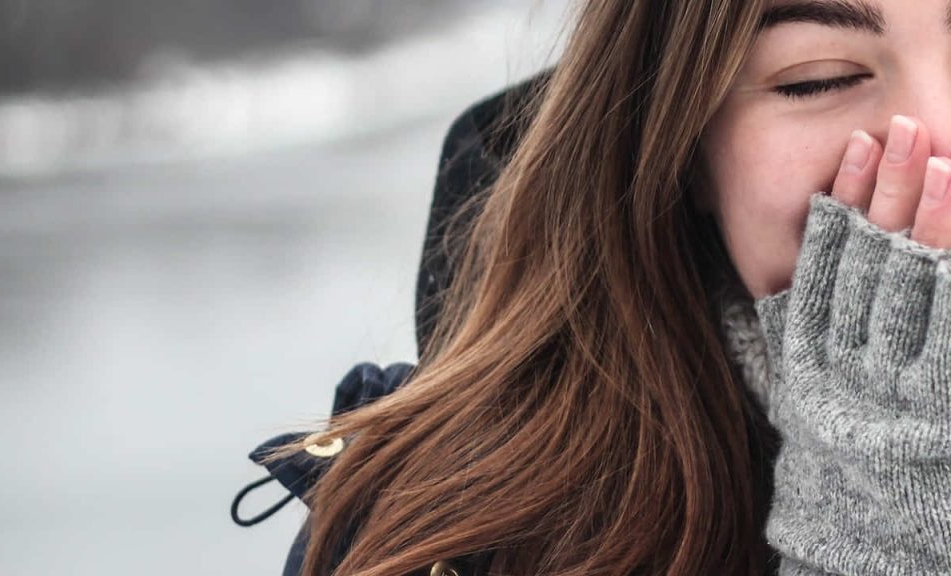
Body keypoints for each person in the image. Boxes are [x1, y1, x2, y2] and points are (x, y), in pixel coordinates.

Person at [233, 0, 951, 574]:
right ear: (686, 143)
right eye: (816, 77)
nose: (938, 135)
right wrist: (878, 506)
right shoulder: (440, 528)